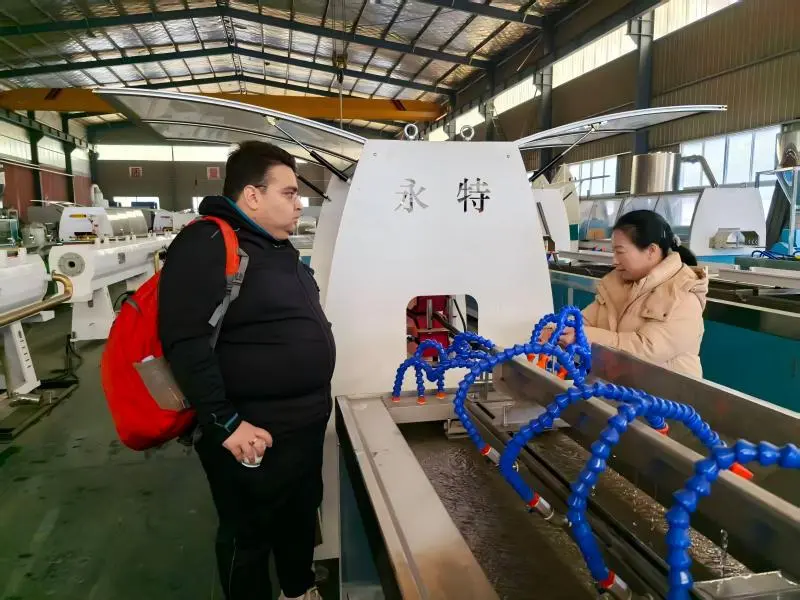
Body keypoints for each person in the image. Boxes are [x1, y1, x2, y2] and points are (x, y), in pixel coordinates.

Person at [158, 141, 335, 600]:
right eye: (289, 193)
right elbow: (184, 342)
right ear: (253, 196)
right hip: (250, 429)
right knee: (248, 533)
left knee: (299, 516)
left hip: (301, 425)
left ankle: (299, 591)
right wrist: (226, 422)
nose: (299, 204)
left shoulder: (276, 248)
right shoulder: (209, 243)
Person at [552, 209, 708, 377]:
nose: (614, 260)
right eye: (613, 252)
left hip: (664, 391)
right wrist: (556, 329)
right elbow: (584, 320)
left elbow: (645, 349)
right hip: (617, 386)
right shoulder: (618, 284)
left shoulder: (683, 294)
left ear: (651, 250)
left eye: (620, 252)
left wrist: (582, 336)